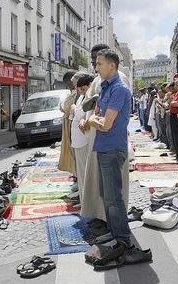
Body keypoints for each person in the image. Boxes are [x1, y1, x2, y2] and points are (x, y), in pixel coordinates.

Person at [79, 44, 130, 223]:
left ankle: (119, 233)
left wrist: (92, 120)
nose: (95, 65)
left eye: (98, 62)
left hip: (111, 142)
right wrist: (86, 119)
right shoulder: (102, 81)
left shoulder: (118, 84)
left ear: (111, 64)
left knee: (113, 194)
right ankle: (106, 220)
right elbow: (92, 105)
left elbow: (107, 121)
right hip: (99, 140)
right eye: (95, 61)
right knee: (104, 191)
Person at [71, 74, 94, 204]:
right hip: (77, 140)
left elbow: (88, 116)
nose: (80, 91)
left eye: (83, 89)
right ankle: (83, 197)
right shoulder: (81, 98)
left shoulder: (91, 97)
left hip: (84, 139)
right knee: (81, 172)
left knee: (86, 172)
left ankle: (87, 201)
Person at [58, 70, 78, 176]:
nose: (68, 86)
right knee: (71, 151)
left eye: (68, 83)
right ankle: (75, 173)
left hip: (72, 126)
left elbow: (71, 109)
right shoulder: (72, 93)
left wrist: (63, 107)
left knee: (73, 151)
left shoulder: (78, 93)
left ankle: (77, 173)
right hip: (68, 125)